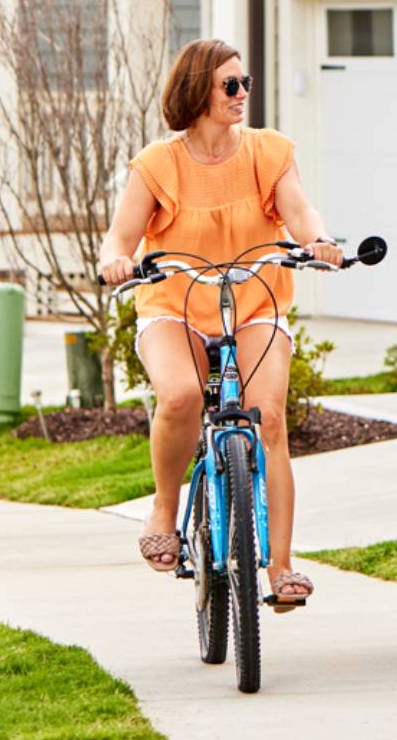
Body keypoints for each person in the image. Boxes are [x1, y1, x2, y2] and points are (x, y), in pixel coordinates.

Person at [99, 38, 341, 610]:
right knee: (182, 395)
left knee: (270, 418)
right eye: (229, 85)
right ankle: (163, 506)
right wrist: (115, 260)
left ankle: (281, 566)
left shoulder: (270, 151)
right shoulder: (158, 164)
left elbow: (300, 211)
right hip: (174, 305)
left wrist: (320, 241)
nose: (241, 95)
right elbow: (121, 235)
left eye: (245, 84)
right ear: (196, 91)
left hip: (255, 303)